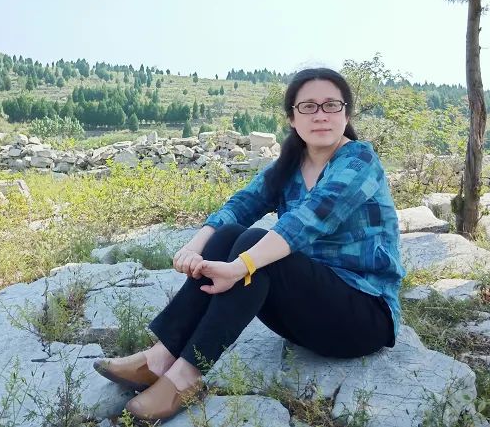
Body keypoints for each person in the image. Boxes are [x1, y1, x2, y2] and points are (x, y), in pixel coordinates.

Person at [93, 68, 405, 420]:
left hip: (363, 317)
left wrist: (239, 267)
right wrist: (195, 245)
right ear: (292, 118)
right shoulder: (289, 166)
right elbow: (242, 204)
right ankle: (160, 358)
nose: (321, 115)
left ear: (346, 114)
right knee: (229, 234)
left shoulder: (359, 160)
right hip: (308, 314)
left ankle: (186, 377)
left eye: (331, 105)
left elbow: (309, 220)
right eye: (308, 107)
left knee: (255, 248)